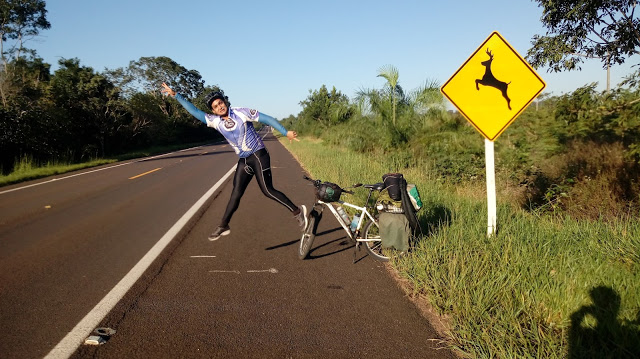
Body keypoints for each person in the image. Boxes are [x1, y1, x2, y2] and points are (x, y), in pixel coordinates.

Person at [161, 82, 307, 241]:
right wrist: (176, 96)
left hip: (258, 154)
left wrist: (285, 132)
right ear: (213, 110)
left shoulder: (241, 112)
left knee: (267, 190)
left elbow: (267, 118)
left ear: (225, 102)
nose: (219, 107)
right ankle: (224, 225)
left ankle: (298, 212)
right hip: (244, 160)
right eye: (215, 106)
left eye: (220, 103)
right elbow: (194, 110)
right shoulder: (215, 121)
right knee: (236, 193)